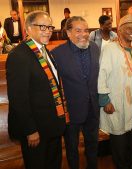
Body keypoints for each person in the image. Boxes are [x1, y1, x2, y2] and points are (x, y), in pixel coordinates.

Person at [6, 10, 68, 169]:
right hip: (36, 130)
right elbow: (18, 98)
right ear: (27, 28)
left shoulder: (44, 50)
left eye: (50, 27)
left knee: (53, 164)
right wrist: (30, 130)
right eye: (42, 27)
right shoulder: (19, 55)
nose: (48, 31)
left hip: (51, 125)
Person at [98, 15, 132, 169]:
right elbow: (102, 75)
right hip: (117, 102)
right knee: (119, 140)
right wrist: (104, 100)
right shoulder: (109, 49)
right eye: (127, 27)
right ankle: (122, 165)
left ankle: (129, 163)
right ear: (119, 30)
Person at [51, 16, 100, 169]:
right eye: (78, 30)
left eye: (86, 30)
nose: (84, 34)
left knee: (92, 145)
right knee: (72, 148)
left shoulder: (94, 47)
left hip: (93, 107)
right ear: (68, 32)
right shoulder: (56, 54)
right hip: (70, 111)